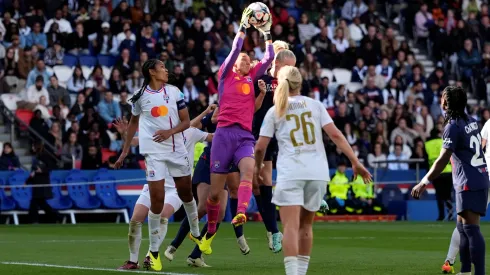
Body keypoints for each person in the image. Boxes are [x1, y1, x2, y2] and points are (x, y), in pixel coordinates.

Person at [254, 65, 371, 275]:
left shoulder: (275, 110)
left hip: (291, 172)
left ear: (280, 83)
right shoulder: (315, 105)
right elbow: (335, 135)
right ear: (300, 83)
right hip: (317, 173)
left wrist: (257, 167)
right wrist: (355, 161)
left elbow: (261, 146)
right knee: (306, 227)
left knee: (290, 226)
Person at [193, 8, 275, 255]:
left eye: (249, 60)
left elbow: (269, 57)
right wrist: (243, 27)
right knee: (215, 195)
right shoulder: (225, 75)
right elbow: (234, 50)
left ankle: (241, 212)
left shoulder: (252, 78)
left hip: (243, 136)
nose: (246, 60)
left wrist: (267, 31)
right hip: (223, 135)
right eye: (244, 58)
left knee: (248, 171)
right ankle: (207, 233)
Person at [114, 59, 201, 272]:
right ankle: (138, 259)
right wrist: (125, 150)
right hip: (154, 156)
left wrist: (169, 132)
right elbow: (134, 122)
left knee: (184, 195)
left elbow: (186, 121)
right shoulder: (139, 96)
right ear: (152, 72)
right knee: (140, 216)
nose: (166, 70)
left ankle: (195, 233)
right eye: (162, 67)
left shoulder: (175, 93)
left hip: (175, 153)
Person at [114, 117, 211, 270]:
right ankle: (133, 262)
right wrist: (124, 133)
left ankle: (150, 256)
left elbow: (213, 136)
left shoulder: (191, 133)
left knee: (163, 216)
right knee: (135, 220)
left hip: (176, 189)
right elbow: (133, 142)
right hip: (153, 185)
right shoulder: (156, 133)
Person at [412, 86, 489, 275]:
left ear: (446, 102)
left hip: (468, 181)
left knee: (471, 230)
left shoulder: (452, 126)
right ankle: (464, 271)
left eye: (442, 98)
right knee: (463, 228)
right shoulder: (472, 121)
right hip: (478, 176)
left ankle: (479, 272)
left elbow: (443, 159)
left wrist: (424, 181)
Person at [165, 105, 251, 267]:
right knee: (203, 207)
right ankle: (174, 245)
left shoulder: (242, 118)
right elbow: (190, 127)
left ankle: (195, 255)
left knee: (220, 212)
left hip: (225, 166)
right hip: (207, 164)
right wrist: (208, 113)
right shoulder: (218, 113)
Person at [252, 46, 296, 253]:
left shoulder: (289, 86)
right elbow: (250, 108)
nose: (292, 72)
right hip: (250, 136)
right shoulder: (261, 80)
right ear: (277, 65)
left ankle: (273, 231)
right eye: (289, 67)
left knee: (265, 182)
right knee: (251, 186)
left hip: (271, 138)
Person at [27, 140, 59, 224]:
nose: (32, 148)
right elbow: (34, 171)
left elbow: (50, 167)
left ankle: (34, 220)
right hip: (37, 181)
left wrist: (42, 170)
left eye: (33, 146)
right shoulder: (36, 156)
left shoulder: (44, 156)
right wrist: (29, 179)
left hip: (42, 182)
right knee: (40, 202)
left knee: (36, 202)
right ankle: (54, 217)